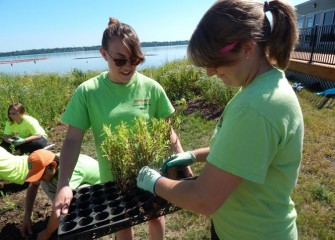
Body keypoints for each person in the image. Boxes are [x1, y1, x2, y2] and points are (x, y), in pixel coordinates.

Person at [136, 1, 304, 239]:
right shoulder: (260, 88)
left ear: (247, 47)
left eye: (213, 62)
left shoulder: (255, 107)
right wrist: (195, 155)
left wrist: (154, 182)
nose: (210, 72)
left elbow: (203, 199)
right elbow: (243, 153)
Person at [53, 17, 191, 240]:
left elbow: (168, 132)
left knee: (155, 215)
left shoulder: (151, 88)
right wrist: (63, 184)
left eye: (135, 60)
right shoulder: (88, 92)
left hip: (152, 171)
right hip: (113, 178)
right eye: (120, 60)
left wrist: (183, 161)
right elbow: (72, 140)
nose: (128, 67)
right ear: (103, 54)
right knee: (123, 224)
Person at [18, 149, 100, 240]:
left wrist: (46, 233)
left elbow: (60, 205)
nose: (40, 178)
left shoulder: (70, 169)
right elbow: (33, 185)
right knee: (45, 182)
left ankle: (86, 221)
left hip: (100, 193)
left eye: (41, 174)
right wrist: (27, 215)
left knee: (77, 194)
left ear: (53, 165)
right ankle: (63, 214)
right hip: (76, 185)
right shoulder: (51, 163)